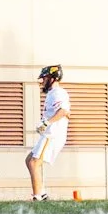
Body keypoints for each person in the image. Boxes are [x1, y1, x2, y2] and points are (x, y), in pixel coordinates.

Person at [26, 65, 70, 201]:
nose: (42, 81)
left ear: (52, 78)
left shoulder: (58, 92)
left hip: (53, 134)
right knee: (29, 160)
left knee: (34, 163)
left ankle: (37, 196)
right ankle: (43, 194)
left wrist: (47, 123)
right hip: (49, 134)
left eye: (44, 78)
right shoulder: (52, 93)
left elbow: (63, 111)